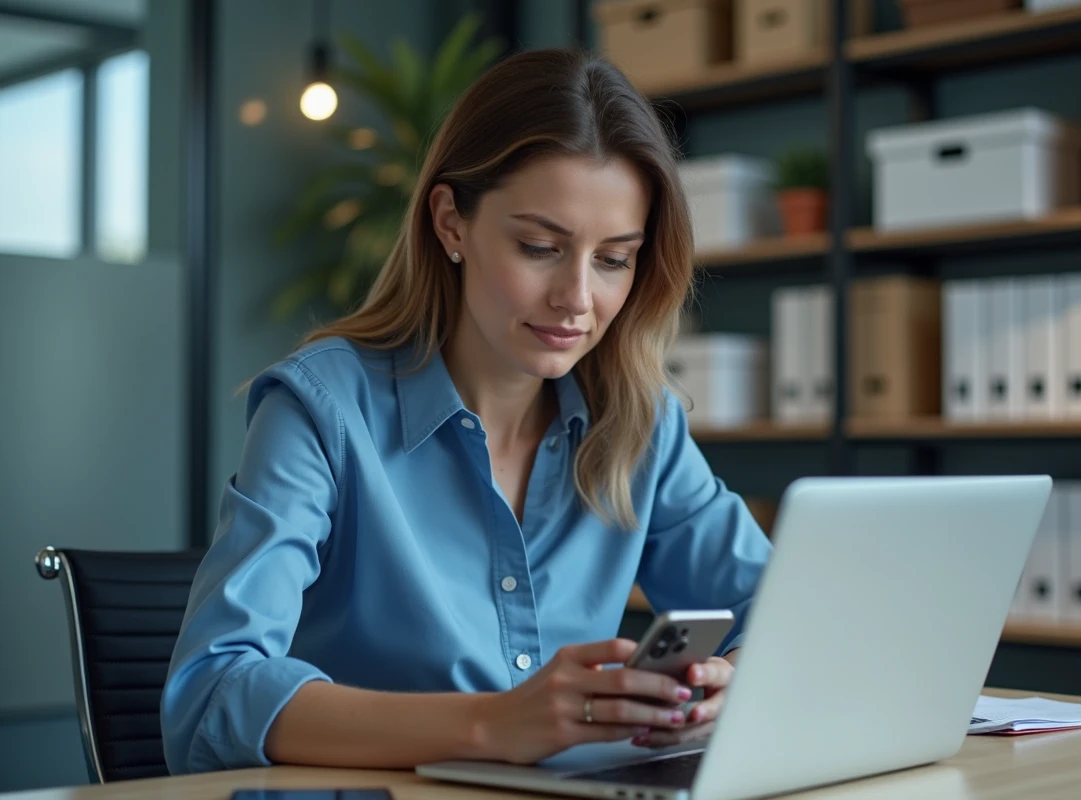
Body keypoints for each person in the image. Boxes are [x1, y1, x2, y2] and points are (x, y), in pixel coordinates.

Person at [160, 46, 773, 775]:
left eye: (614, 259)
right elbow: (211, 693)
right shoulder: (322, 412)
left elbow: (781, 609)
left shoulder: (640, 425)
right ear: (451, 222)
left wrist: (732, 682)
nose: (577, 299)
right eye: (540, 247)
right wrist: (491, 725)